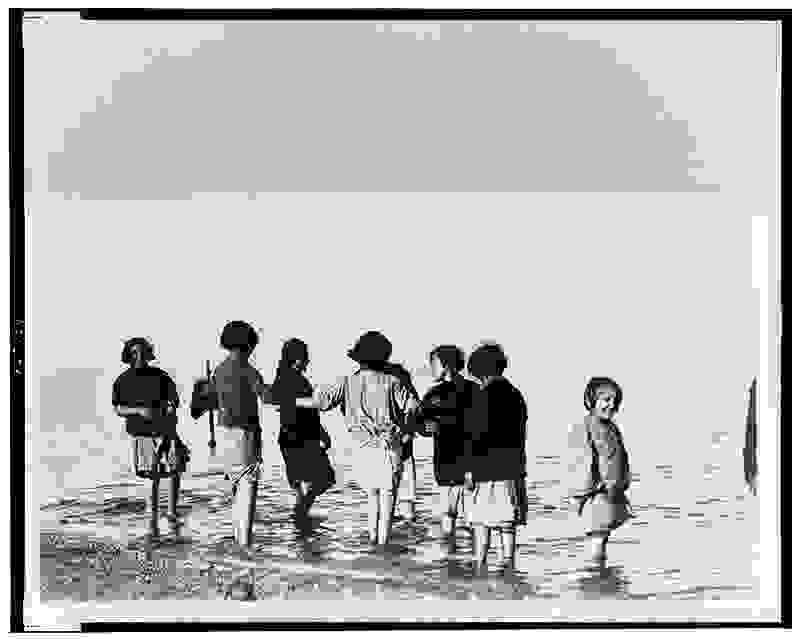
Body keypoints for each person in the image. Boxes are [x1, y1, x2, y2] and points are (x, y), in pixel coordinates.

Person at [292, 331, 420, 548]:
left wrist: (292, 402)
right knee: (387, 499)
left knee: (372, 497)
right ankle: (383, 544)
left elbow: (321, 402)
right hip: (390, 447)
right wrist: (403, 431)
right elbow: (415, 408)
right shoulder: (393, 381)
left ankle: (372, 541)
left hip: (362, 448)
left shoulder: (348, 382)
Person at [191, 321, 272, 548]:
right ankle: (245, 544)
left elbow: (212, 403)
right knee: (248, 485)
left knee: (237, 487)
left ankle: (239, 539)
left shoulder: (218, 370)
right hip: (246, 434)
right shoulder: (248, 370)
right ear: (249, 345)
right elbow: (266, 397)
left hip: (224, 433)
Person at [112, 337, 189, 537]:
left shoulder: (161, 376)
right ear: (128, 356)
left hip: (167, 430)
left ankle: (172, 513)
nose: (139, 356)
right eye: (134, 353)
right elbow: (118, 408)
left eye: (142, 352)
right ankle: (152, 518)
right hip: (142, 433)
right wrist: (137, 410)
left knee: (175, 471)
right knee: (150, 476)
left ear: (149, 353)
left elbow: (174, 399)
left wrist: (171, 406)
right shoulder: (122, 380)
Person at [463, 342, 528, 575]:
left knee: (481, 523)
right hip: (511, 469)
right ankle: (508, 564)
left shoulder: (482, 397)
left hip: (485, 470)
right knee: (507, 524)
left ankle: (480, 565)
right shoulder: (516, 396)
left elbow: (474, 437)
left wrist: (469, 469)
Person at [414, 345, 479, 553]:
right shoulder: (438, 393)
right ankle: (457, 556)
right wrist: (425, 428)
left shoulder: (469, 390)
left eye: (433, 364)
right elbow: (418, 421)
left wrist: (425, 426)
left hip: (462, 458)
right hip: (448, 457)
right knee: (453, 510)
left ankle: (459, 555)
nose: (430, 368)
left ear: (447, 365)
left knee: (459, 512)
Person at [568, 376, 633, 565]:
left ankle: (600, 573)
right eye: (606, 400)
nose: (612, 405)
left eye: (615, 401)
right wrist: (581, 494)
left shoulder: (612, 427)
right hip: (596, 493)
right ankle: (597, 574)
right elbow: (584, 461)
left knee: (602, 536)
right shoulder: (587, 426)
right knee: (597, 539)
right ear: (591, 401)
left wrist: (622, 485)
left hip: (612, 492)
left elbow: (621, 458)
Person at [271, 338, 336, 523]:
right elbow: (310, 415)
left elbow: (280, 403)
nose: (308, 362)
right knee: (326, 478)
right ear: (296, 359)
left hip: (287, 437)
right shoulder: (299, 382)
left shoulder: (281, 379)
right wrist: (322, 434)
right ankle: (300, 514)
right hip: (303, 437)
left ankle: (300, 519)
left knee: (300, 483)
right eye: (305, 358)